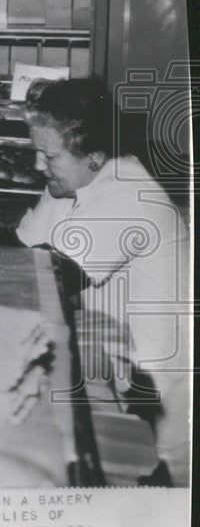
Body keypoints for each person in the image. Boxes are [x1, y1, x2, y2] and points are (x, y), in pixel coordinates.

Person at [15, 78, 191, 487]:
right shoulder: (75, 181)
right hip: (114, 372)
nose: (39, 165)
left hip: (156, 411)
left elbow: (49, 278)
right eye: (36, 152)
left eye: (48, 155)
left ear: (94, 156)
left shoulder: (128, 194)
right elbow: (25, 255)